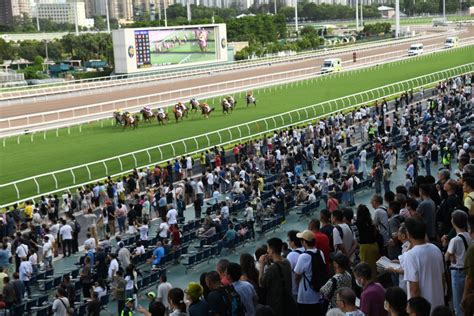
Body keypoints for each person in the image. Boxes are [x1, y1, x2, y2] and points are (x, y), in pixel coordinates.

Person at [402, 217, 444, 313]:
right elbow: (442, 278)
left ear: (409, 234)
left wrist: (413, 312)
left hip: (423, 310)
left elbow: (414, 289)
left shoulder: (411, 255)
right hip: (439, 303)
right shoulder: (436, 249)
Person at [442, 210, 471, 316]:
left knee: (458, 304)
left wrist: (446, 247)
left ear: (453, 222)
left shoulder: (454, 240)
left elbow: (446, 258)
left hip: (457, 272)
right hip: (469, 271)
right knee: (468, 301)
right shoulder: (470, 236)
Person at [258, 237, 294, 316]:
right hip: (288, 302)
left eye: (268, 248)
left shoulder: (272, 269)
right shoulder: (287, 262)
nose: (267, 251)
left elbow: (261, 284)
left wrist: (262, 265)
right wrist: (268, 263)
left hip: (277, 305)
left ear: (271, 250)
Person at [294, 230, 324, 315]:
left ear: (304, 242)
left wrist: (296, 285)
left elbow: (297, 275)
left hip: (305, 296)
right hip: (318, 292)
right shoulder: (320, 252)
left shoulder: (303, 256)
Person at [355, 204, 380, 274]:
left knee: (367, 270)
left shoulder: (357, 224)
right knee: (373, 268)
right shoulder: (370, 222)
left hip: (365, 248)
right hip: (374, 245)